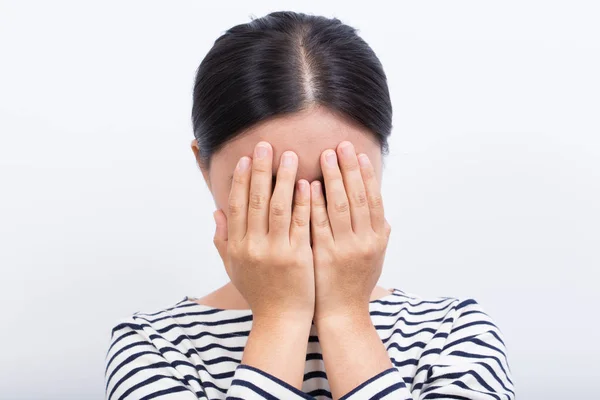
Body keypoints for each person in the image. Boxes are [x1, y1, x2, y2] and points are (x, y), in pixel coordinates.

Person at [104, 11, 515, 400]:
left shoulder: (455, 334)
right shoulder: (153, 347)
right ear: (203, 166)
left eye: (334, 181)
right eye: (269, 185)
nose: (299, 214)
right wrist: (281, 317)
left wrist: (345, 316)